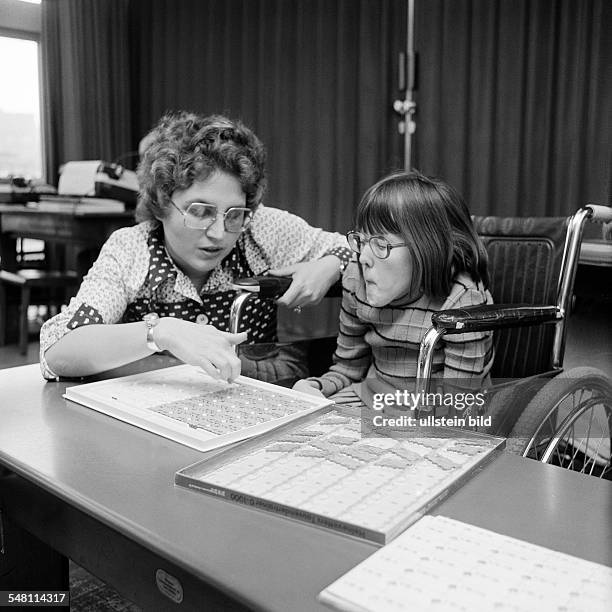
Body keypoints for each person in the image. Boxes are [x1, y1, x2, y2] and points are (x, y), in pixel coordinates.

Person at [40, 111, 351, 381]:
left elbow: (369, 248)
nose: (218, 233)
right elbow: (60, 350)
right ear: (163, 200)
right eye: (200, 211)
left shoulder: (261, 227)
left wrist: (331, 264)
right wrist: (160, 332)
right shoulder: (130, 249)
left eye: (234, 214)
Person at [293, 170, 494, 405]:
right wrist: (313, 387)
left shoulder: (462, 300)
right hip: (372, 398)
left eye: (381, 243)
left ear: (428, 250)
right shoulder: (355, 282)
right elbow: (348, 370)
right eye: (362, 241)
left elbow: (458, 402)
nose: (362, 258)